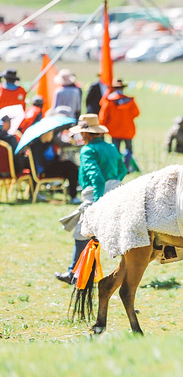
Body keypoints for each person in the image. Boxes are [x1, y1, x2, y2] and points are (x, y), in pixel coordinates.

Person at [55, 114, 127, 284]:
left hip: (96, 195)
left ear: (86, 134)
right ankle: (79, 272)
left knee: (81, 233)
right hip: (117, 192)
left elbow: (97, 179)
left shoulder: (87, 150)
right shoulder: (111, 147)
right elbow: (123, 169)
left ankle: (75, 273)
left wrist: (98, 202)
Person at [28, 119, 80, 204]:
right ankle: (73, 196)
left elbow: (53, 157)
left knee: (71, 166)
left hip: (52, 167)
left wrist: (58, 159)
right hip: (45, 171)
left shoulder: (49, 143)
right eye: (51, 132)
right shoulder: (37, 146)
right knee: (71, 167)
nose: (52, 135)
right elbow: (42, 163)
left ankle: (73, 195)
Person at [98, 78, 140, 172]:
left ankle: (116, 167)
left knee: (115, 150)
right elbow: (136, 113)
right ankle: (126, 167)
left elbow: (103, 116)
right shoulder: (129, 100)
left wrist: (102, 127)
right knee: (128, 149)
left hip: (114, 130)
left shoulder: (109, 101)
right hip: (128, 130)